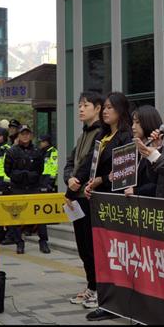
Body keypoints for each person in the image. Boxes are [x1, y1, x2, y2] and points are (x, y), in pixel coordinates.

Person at [83, 91, 132, 321]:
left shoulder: (125, 138)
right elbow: (93, 168)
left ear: (121, 111)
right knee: (100, 252)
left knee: (114, 254)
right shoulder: (101, 137)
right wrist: (89, 183)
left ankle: (115, 302)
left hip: (115, 202)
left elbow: (123, 172)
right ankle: (106, 300)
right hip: (98, 199)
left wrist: (103, 179)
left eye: (110, 107)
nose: (105, 111)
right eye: (105, 107)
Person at [64, 91, 104, 311]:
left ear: (97, 108)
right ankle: (91, 285)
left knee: (91, 246)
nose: (80, 109)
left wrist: (75, 180)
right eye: (79, 105)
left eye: (85, 105)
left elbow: (90, 164)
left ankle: (98, 288)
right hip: (76, 197)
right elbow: (71, 161)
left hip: (88, 197)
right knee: (82, 247)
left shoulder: (100, 134)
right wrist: (68, 178)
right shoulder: (82, 135)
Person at [4, 124, 47, 254]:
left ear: (31, 135)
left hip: (33, 187)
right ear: (19, 135)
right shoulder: (12, 151)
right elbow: (7, 170)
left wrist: (31, 176)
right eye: (23, 133)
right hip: (18, 188)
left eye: (28, 133)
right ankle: (19, 243)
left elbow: (40, 169)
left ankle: (43, 242)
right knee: (16, 217)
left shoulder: (37, 151)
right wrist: (20, 175)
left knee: (40, 216)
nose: (25, 136)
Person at [124, 105, 163, 198]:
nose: (133, 127)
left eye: (137, 122)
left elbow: (159, 184)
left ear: (148, 122)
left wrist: (136, 191)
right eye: (133, 122)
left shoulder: (160, 149)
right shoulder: (133, 150)